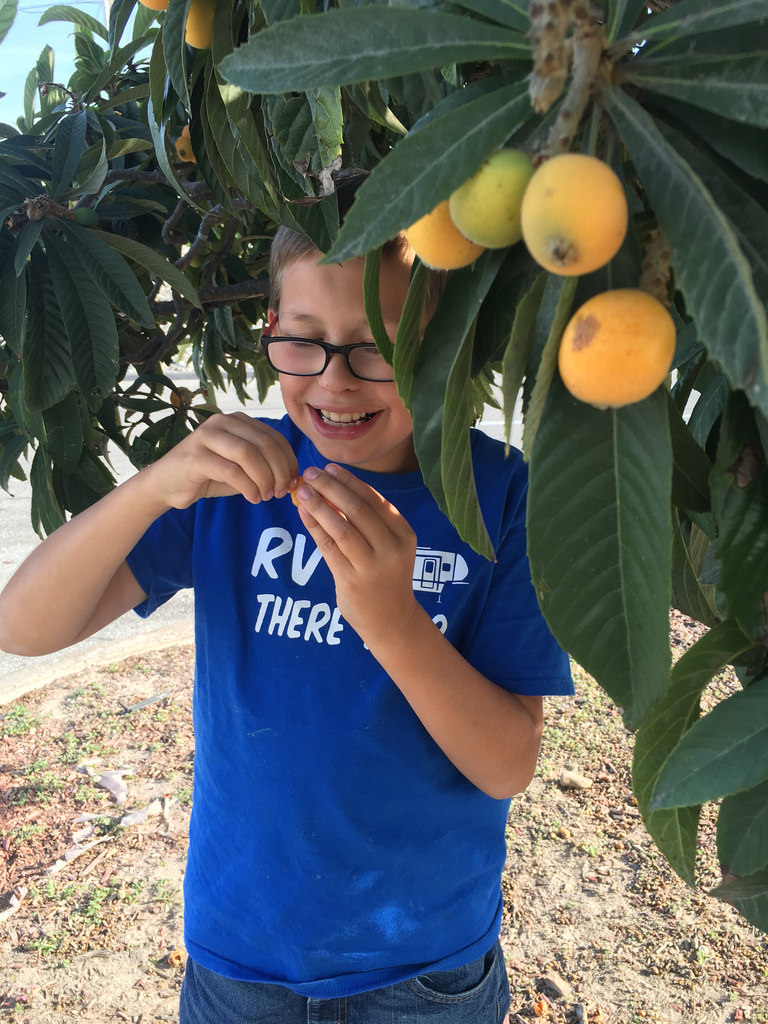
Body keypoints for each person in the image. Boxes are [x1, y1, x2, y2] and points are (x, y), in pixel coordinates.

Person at [0, 177, 573, 1023]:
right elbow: (24, 626)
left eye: (379, 345)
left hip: (421, 969)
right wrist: (154, 486)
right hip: (242, 957)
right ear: (270, 331)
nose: (336, 383)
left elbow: (507, 763)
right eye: (303, 341)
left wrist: (391, 620)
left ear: (445, 343)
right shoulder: (238, 481)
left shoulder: (500, 498)